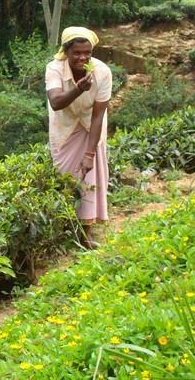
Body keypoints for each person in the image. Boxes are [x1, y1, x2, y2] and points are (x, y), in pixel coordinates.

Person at [45, 27, 112, 249]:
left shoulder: (102, 72)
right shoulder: (54, 69)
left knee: (89, 178)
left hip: (90, 128)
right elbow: (56, 101)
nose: (82, 58)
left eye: (87, 53)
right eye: (77, 53)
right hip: (64, 128)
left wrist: (89, 153)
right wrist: (78, 89)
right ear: (66, 51)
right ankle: (65, 226)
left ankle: (86, 233)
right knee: (64, 177)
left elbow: (98, 115)